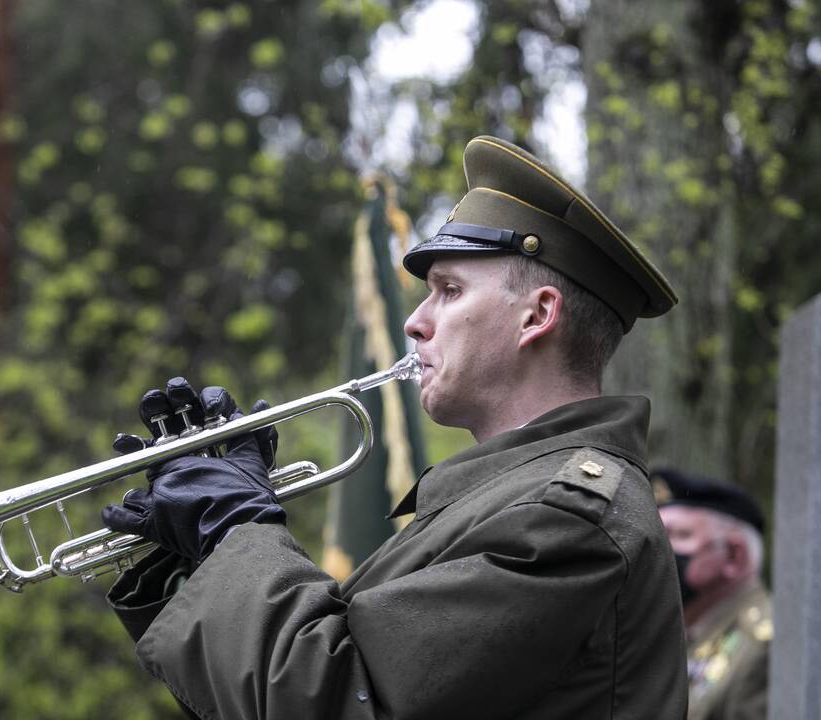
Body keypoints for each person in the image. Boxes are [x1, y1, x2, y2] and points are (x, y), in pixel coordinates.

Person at [102, 135, 689, 719]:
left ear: (536, 315)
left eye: (449, 291)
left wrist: (235, 528)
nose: (414, 322)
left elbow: (342, 701)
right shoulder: (505, 501)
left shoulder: (568, 518)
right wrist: (196, 554)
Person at [652, 468, 771, 720]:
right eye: (658, 536)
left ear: (733, 556)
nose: (660, 551)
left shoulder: (765, 647)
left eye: (680, 535)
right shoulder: (672, 633)